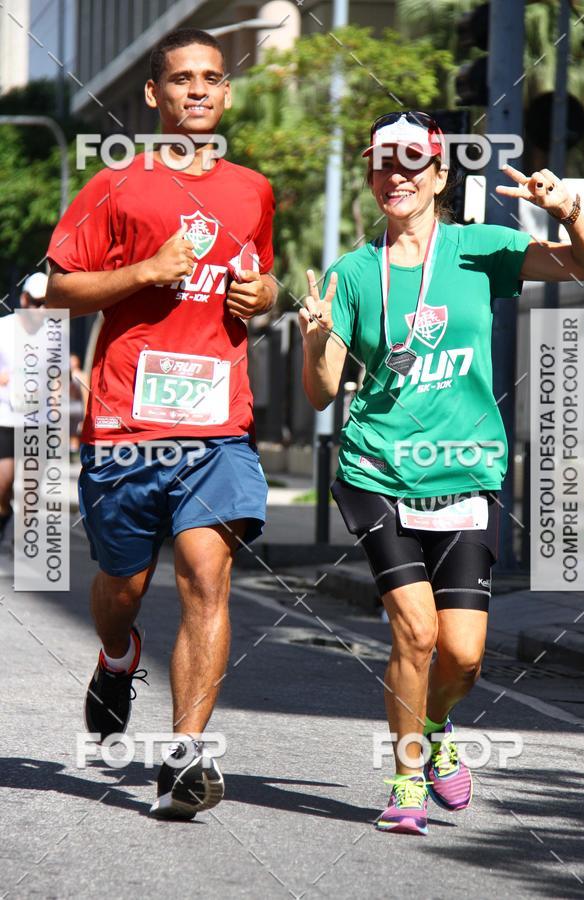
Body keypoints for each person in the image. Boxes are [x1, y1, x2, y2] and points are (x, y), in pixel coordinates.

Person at [299, 111, 584, 835]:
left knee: (463, 655)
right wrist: (317, 338)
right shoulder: (351, 273)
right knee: (416, 630)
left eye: (412, 163)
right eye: (383, 164)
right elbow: (319, 392)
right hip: (378, 470)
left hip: (465, 474)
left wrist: (570, 212)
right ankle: (404, 781)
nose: (396, 176)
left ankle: (434, 729)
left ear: (439, 176)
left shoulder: (479, 249)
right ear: (372, 176)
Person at [45, 28, 277, 819]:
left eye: (213, 78)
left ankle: (187, 759)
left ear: (226, 90)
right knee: (124, 587)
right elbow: (50, 289)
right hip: (124, 426)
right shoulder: (118, 185)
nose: (200, 91)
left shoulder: (253, 189)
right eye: (182, 80)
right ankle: (117, 657)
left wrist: (266, 296)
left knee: (206, 580)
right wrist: (143, 272)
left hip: (216, 425)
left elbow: (261, 275)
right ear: (154, 95)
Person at [0, 272, 49, 547]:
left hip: (38, 420)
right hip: (5, 417)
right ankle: (3, 519)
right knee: (3, 484)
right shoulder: (3, 328)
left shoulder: (54, 333)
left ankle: (23, 541)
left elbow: (61, 377)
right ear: (24, 299)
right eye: (36, 302)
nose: (40, 309)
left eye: (46, 304)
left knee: (31, 488)